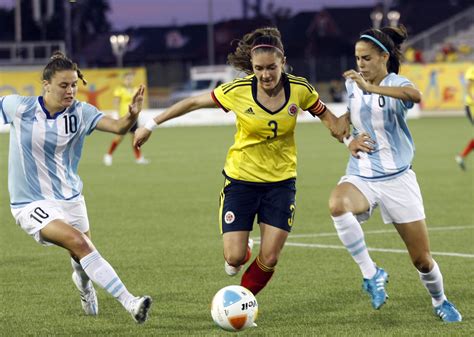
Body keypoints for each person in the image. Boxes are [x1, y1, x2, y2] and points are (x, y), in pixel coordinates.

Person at [134, 27, 354, 296]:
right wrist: (151, 124)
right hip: (241, 182)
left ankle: (241, 302)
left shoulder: (300, 89)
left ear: (282, 62)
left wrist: (346, 138)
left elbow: (328, 118)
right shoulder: (238, 91)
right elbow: (192, 102)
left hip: (281, 184)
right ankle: (242, 250)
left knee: (270, 258)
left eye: (271, 67)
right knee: (235, 258)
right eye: (259, 68)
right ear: (252, 66)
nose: (265, 75)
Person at [0, 51, 152, 324]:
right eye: (63, 85)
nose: (70, 91)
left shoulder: (81, 112)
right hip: (30, 203)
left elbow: (118, 128)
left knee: (82, 253)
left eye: (73, 85)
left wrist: (131, 116)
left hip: (71, 198)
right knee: (80, 243)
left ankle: (85, 289)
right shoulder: (18, 107)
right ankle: (131, 302)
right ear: (46, 85)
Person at [328, 25, 462, 322]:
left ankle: (440, 300)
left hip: (398, 180)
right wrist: (348, 140)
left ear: (383, 56)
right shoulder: (353, 85)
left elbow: (413, 95)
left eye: (366, 58)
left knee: (422, 260)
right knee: (337, 205)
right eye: (357, 58)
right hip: (362, 176)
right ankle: (372, 274)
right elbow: (340, 126)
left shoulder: (396, 82)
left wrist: (371, 88)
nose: (360, 64)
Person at [103, 71, 149, 166]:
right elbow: (116, 102)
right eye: (127, 79)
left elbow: (138, 103)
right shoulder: (119, 90)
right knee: (119, 138)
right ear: (124, 80)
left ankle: (139, 158)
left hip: (133, 118)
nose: (129, 80)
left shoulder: (135, 90)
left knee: (135, 138)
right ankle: (108, 155)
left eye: (131, 79)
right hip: (124, 117)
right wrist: (115, 114)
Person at [455, 65, 474, 170]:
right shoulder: (472, 69)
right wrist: (472, 97)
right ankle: (461, 156)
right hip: (472, 106)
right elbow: (468, 85)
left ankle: (461, 156)